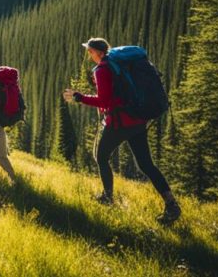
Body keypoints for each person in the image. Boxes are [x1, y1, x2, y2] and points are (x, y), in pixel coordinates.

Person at [62, 38, 181, 224]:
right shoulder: (118, 64)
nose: (89, 55)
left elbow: (104, 101)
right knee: (146, 164)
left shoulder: (102, 70)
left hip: (119, 123)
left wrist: (80, 97)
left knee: (101, 157)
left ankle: (108, 197)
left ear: (99, 52)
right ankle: (171, 204)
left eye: (90, 51)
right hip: (137, 120)